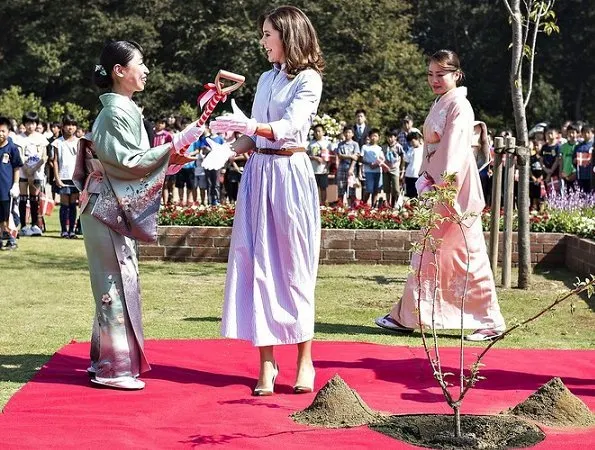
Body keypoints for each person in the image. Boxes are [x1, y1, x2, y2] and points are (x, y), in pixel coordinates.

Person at [209, 5, 324, 396]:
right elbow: (254, 135)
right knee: (256, 262)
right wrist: (228, 150)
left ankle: (304, 359)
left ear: (287, 36)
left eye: (267, 34)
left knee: (295, 265)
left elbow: (288, 126)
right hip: (258, 174)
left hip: (290, 172)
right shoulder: (263, 79)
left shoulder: (309, 80)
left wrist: (250, 127)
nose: (262, 41)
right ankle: (266, 363)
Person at [75, 40, 200, 390]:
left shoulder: (124, 108)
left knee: (113, 280)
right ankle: (113, 369)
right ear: (119, 71)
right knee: (114, 281)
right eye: (140, 64)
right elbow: (129, 163)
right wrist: (171, 147)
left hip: (107, 202)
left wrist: (169, 158)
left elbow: (134, 161)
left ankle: (104, 360)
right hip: (105, 204)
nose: (145, 70)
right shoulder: (116, 112)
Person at [374, 49, 505, 341]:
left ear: (456, 75)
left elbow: (455, 148)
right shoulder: (442, 103)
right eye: (430, 74)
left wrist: (438, 182)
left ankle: (490, 319)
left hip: (453, 186)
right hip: (439, 181)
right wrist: (426, 177)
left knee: (465, 253)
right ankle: (410, 315)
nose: (434, 80)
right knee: (430, 251)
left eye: (441, 74)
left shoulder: (460, 105)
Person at [15, 111, 49, 237]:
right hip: (23, 172)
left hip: (37, 172)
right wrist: (27, 171)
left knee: (35, 198)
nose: (30, 126)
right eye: (28, 123)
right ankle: (23, 226)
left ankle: (35, 225)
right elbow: (18, 156)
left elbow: (45, 156)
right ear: (24, 124)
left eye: (33, 123)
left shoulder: (41, 138)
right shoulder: (19, 138)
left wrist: (34, 170)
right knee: (23, 198)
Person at [52, 114, 80, 238]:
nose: (70, 128)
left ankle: (72, 230)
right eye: (68, 125)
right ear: (62, 127)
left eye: (73, 125)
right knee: (64, 204)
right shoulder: (58, 142)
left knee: (73, 204)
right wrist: (57, 178)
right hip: (63, 177)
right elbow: (55, 161)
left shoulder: (80, 142)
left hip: (75, 177)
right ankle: (64, 230)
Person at [0, 116, 23, 250]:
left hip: (7, 190)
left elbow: (16, 168)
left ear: (8, 132)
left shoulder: (12, 148)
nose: (0, 134)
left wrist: (15, 184)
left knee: (8, 215)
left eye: (3, 131)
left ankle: (12, 239)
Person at [335, 126, 360, 206]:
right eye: (346, 132)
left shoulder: (355, 144)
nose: (347, 134)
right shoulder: (340, 144)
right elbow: (339, 155)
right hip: (342, 168)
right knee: (341, 189)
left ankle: (352, 208)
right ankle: (340, 208)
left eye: (349, 132)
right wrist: (350, 156)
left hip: (351, 168)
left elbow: (355, 157)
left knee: (352, 189)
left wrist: (351, 168)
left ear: (352, 134)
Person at [307, 123, 331, 204]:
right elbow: (306, 155)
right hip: (313, 170)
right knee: (313, 188)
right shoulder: (310, 143)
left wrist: (327, 167)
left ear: (323, 132)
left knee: (323, 188)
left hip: (323, 170)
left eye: (319, 131)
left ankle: (323, 205)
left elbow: (331, 158)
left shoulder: (327, 144)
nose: (317, 133)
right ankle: (314, 204)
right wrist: (315, 157)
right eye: (316, 131)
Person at [382, 129, 404, 208]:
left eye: (391, 137)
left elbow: (402, 157)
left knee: (396, 189)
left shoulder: (398, 146)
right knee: (387, 189)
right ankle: (388, 205)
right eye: (388, 137)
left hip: (395, 170)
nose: (390, 139)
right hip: (385, 170)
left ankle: (398, 205)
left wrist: (402, 169)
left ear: (395, 137)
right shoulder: (384, 147)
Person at [403, 129, 424, 198]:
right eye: (410, 142)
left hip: (418, 175)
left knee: (418, 194)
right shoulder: (410, 150)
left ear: (418, 139)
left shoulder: (423, 149)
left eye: (413, 141)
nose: (411, 143)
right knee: (410, 195)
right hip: (409, 175)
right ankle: (411, 208)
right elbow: (406, 162)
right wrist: (404, 174)